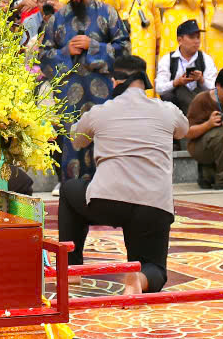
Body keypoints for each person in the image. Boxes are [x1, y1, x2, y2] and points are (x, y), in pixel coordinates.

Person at [55, 56, 189, 293]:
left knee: (69, 190)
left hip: (107, 200)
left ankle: (71, 269)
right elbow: (183, 130)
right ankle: (140, 278)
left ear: (114, 81)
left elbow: (76, 140)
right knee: (154, 267)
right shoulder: (167, 110)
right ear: (144, 79)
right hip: (153, 204)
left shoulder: (101, 111)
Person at [35, 0, 131, 179]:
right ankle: (72, 191)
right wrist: (65, 51)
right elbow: (43, 58)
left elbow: (125, 50)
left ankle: (110, 189)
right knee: (72, 140)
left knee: (104, 138)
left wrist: (93, 46)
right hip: (69, 93)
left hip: (103, 91)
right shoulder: (58, 19)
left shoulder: (108, 13)